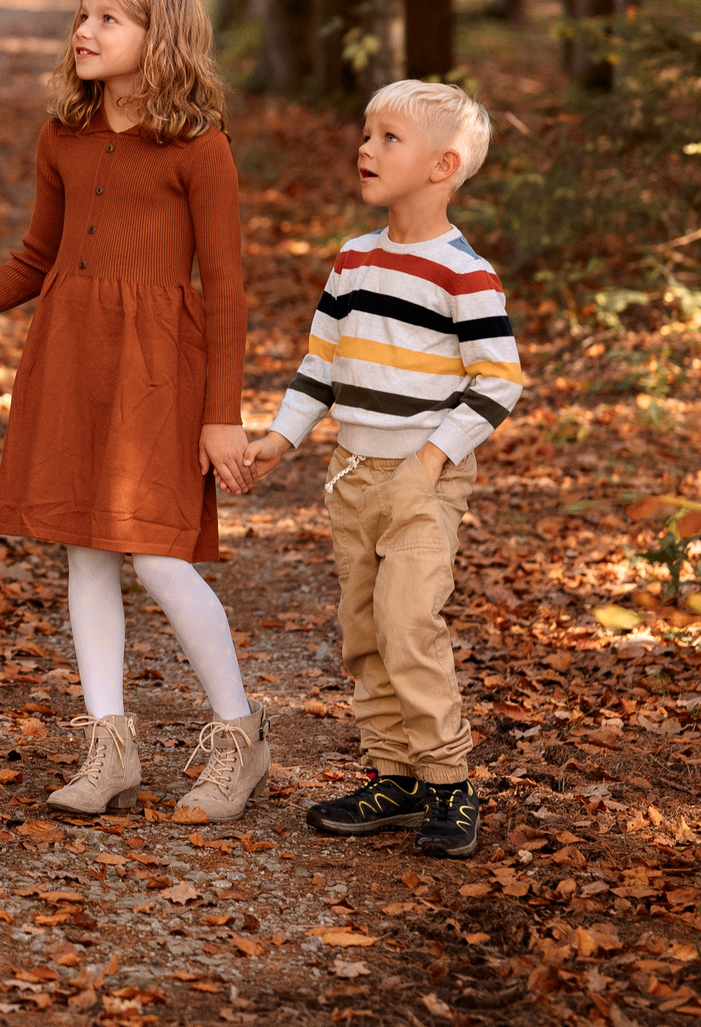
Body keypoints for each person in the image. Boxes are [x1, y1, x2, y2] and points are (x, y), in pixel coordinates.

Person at [0, 0, 265, 821]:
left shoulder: (200, 149)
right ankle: (109, 745)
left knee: (155, 553)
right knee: (85, 551)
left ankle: (239, 736)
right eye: (83, 14)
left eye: (110, 19)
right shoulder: (62, 137)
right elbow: (36, 259)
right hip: (72, 356)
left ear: (163, 38)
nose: (85, 30)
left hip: (156, 368)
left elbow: (224, 289)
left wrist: (223, 416)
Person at [242, 80, 523, 860]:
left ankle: (448, 781)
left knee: (409, 623)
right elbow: (320, 363)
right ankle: (395, 778)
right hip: (351, 473)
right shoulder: (355, 260)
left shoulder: (464, 273)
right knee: (364, 631)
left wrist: (433, 458)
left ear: (445, 166)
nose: (366, 148)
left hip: (424, 480)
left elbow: (499, 378)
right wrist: (280, 438)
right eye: (366, 134)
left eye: (388, 138)